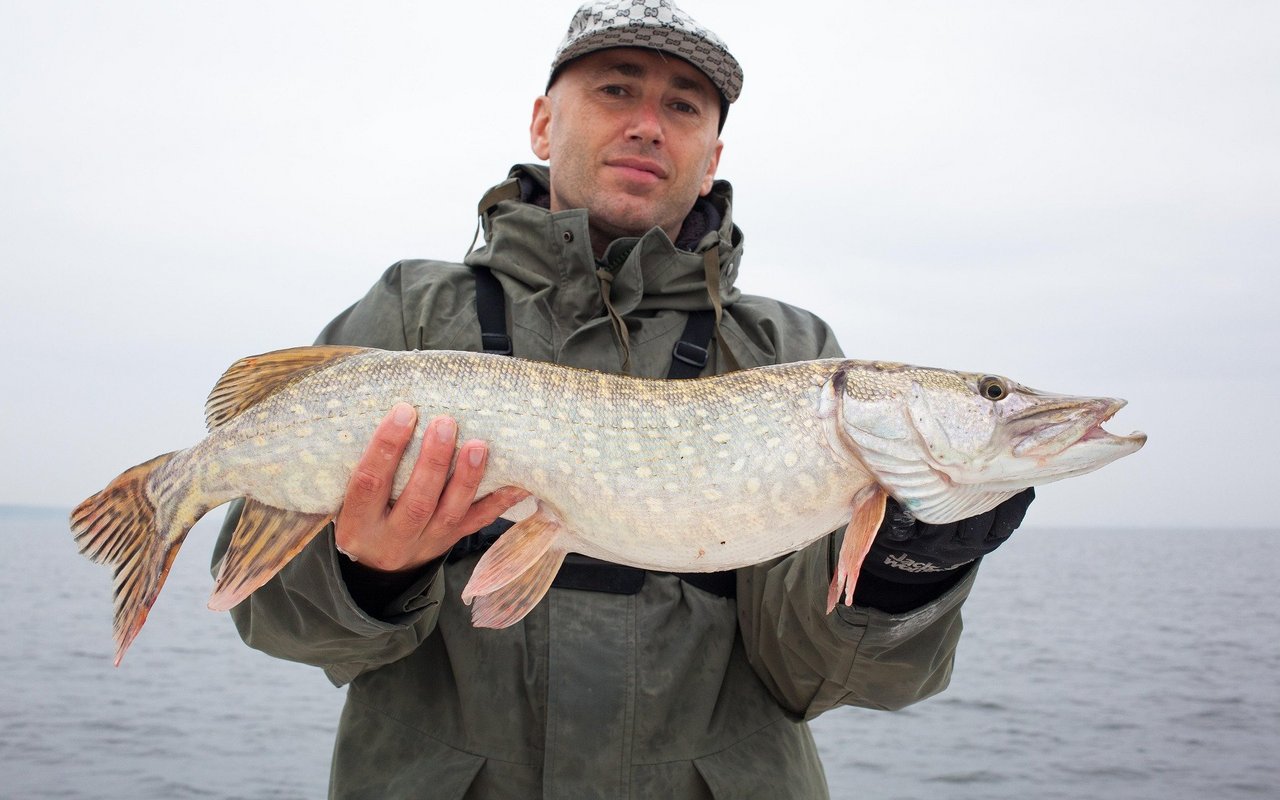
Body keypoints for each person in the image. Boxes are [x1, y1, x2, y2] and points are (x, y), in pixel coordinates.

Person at [214, 1, 1033, 797]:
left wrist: (908, 568)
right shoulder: (409, 313)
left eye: (683, 105)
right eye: (617, 89)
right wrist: (371, 573)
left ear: (712, 156)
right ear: (542, 123)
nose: (649, 123)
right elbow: (277, 622)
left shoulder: (789, 355)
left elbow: (820, 676)